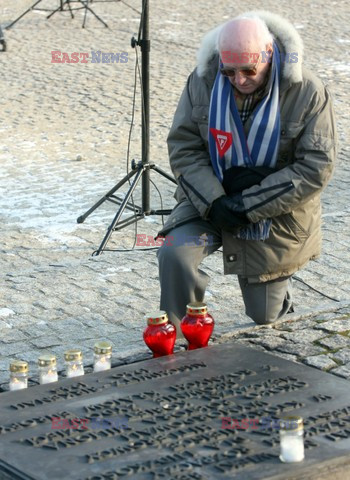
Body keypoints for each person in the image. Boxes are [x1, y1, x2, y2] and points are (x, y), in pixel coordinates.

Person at [157, 11, 337, 338]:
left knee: (266, 317)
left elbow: (315, 167)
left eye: (248, 70)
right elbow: (184, 147)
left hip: (273, 211)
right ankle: (183, 339)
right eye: (229, 71)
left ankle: (277, 298)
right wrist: (216, 202)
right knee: (175, 252)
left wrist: (247, 206)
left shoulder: (307, 90)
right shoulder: (202, 80)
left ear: (269, 55)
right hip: (211, 199)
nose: (238, 80)